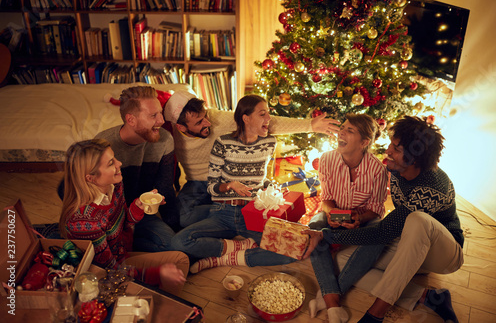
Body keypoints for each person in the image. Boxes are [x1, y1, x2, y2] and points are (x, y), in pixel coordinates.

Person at [302, 116, 464, 323]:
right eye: (391, 145)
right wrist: (334, 224)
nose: (388, 151)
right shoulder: (397, 171)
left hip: (443, 253)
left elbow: (384, 230)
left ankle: (375, 314)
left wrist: (325, 235)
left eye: (396, 148)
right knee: (345, 261)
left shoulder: (432, 186)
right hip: (410, 244)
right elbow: (389, 228)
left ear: (414, 158)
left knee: (417, 220)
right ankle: (428, 297)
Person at [170, 95, 310, 273]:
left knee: (299, 247)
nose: (268, 119)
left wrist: (272, 188)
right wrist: (229, 185)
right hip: (223, 212)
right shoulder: (223, 143)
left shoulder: (269, 143)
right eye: (262, 114)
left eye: (268, 114)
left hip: (253, 213)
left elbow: (261, 178)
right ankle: (235, 246)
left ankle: (223, 259)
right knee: (178, 241)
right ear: (246, 118)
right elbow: (211, 186)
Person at [163, 90, 340, 227]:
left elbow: (266, 122)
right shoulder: (170, 134)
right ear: (181, 127)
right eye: (199, 122)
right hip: (197, 183)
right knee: (181, 218)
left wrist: (310, 125)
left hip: (230, 181)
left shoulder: (217, 119)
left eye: (205, 116)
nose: (207, 123)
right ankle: (228, 213)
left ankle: (228, 214)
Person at [58, 139, 189, 295]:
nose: (119, 164)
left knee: (179, 260)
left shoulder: (114, 185)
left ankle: (156, 299)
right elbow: (109, 272)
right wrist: (157, 273)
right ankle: (159, 304)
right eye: (111, 163)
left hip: (122, 253)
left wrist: (138, 206)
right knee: (177, 264)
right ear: (90, 178)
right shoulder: (85, 222)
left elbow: (124, 222)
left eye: (115, 158)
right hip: (105, 278)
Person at [307, 113, 389, 322]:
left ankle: (326, 298)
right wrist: (331, 214)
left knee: (380, 233)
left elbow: (376, 208)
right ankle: (334, 304)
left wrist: (359, 219)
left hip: (363, 219)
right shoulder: (326, 159)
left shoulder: (378, 170)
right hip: (335, 213)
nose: (341, 132)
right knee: (314, 226)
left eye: (349, 130)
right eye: (342, 127)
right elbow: (326, 198)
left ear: (364, 142)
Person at [95, 86, 179, 252]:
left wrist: (176, 229)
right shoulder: (102, 145)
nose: (161, 121)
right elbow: (76, 188)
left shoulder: (165, 140)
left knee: (173, 245)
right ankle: (118, 246)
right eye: (153, 115)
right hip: (110, 217)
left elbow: (165, 188)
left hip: (142, 212)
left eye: (160, 113)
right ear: (131, 120)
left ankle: (123, 247)